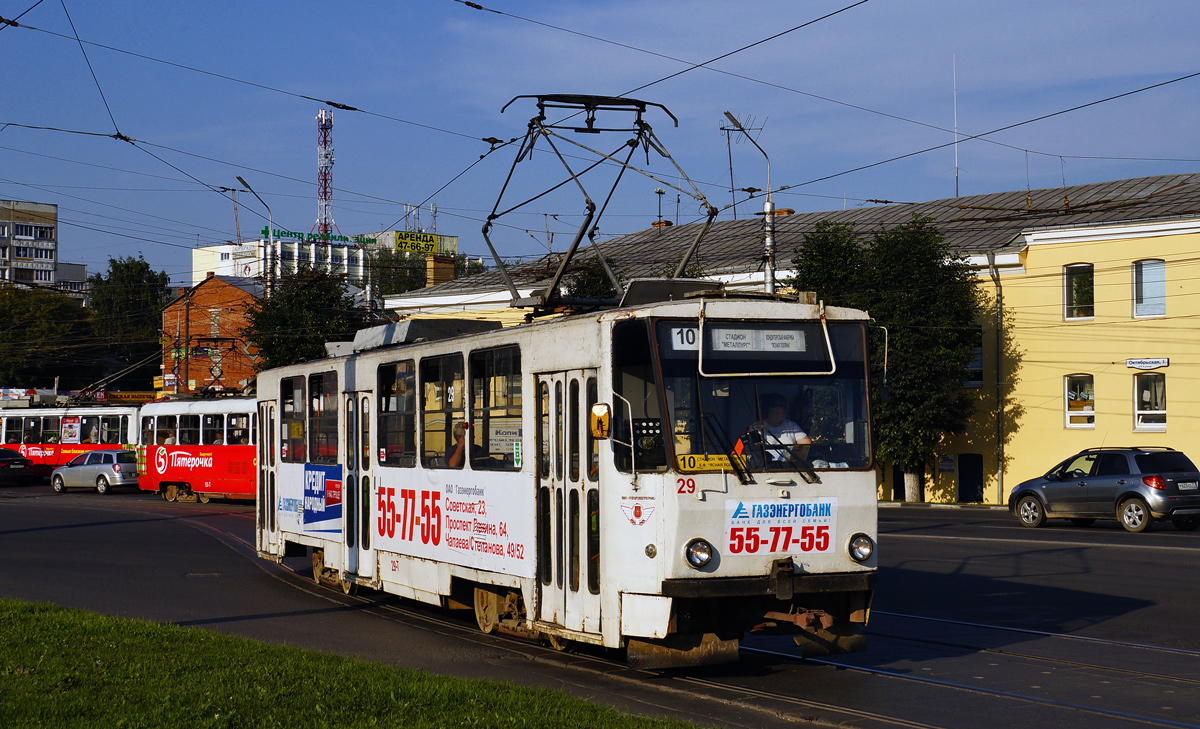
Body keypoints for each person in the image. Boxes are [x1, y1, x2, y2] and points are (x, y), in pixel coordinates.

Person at [749, 393, 810, 463]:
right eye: (782, 406)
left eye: (787, 406)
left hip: (790, 467)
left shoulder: (791, 425)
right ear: (770, 408)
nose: (786, 408)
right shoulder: (756, 428)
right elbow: (756, 451)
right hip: (768, 468)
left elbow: (806, 443)